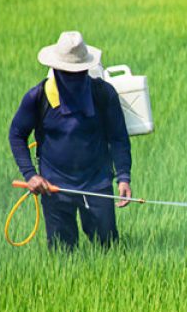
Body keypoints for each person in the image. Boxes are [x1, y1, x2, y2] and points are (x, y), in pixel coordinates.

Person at [8, 31, 133, 250]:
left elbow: (118, 137)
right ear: (56, 69)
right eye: (68, 73)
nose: (73, 78)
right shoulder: (38, 97)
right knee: (62, 254)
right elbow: (17, 134)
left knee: (108, 250)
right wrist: (31, 175)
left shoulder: (103, 94)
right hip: (54, 187)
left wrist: (123, 177)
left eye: (78, 72)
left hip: (97, 183)